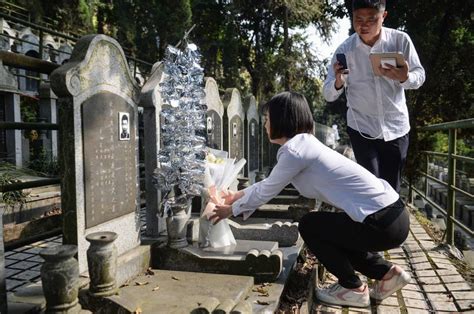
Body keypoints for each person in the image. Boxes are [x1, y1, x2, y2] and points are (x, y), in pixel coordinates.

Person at [210, 91, 411, 308]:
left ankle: (351, 288)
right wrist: (236, 196)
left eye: (267, 118)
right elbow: (270, 183)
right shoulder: (303, 146)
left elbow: (267, 189)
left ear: (282, 119)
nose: (265, 124)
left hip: (382, 222)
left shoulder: (296, 151)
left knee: (311, 225)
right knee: (332, 230)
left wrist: (229, 210)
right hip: (393, 217)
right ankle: (388, 274)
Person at [323, 0, 425, 193]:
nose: (364, 25)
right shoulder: (344, 50)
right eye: (358, 19)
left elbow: (420, 76)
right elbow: (328, 94)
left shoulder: (400, 40)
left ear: (383, 16)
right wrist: (338, 81)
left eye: (371, 19)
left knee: (391, 189)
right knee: (370, 188)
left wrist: (405, 77)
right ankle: (370, 223)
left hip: (396, 127)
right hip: (361, 127)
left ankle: (389, 222)